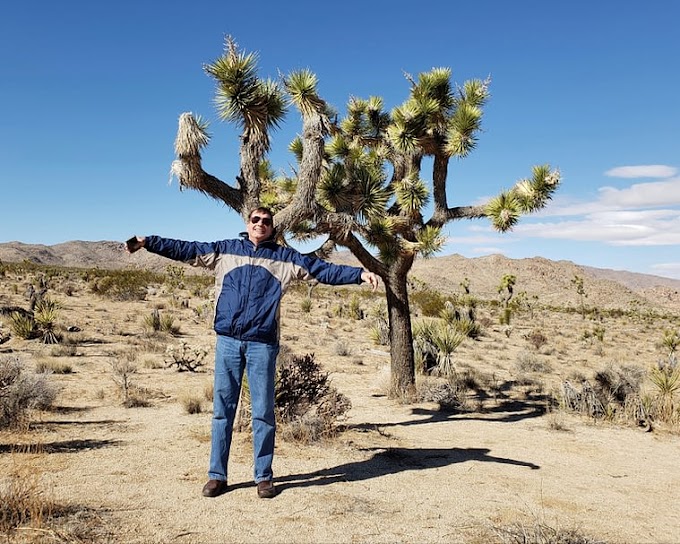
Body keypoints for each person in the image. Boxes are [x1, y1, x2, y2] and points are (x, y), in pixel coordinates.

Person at [126, 206, 379, 499]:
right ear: (247, 224)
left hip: (263, 344)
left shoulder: (286, 259)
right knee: (222, 411)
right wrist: (149, 242)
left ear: (273, 227)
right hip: (228, 342)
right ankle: (217, 476)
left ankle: (263, 476)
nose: (260, 224)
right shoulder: (225, 251)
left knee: (263, 412)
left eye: (266, 221)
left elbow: (323, 270)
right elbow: (186, 249)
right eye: (255, 220)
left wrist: (358, 275)